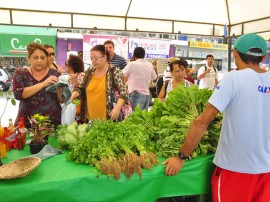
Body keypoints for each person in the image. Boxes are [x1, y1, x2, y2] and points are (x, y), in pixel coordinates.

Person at [162, 33, 270, 201]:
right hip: (266, 170)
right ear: (264, 56)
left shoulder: (234, 78)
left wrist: (181, 157)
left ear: (234, 53)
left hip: (234, 169)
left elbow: (202, 121)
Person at [71, 45, 129, 121]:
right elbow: (81, 88)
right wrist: (73, 95)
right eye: (91, 59)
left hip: (108, 118)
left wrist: (117, 108)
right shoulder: (90, 71)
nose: (93, 61)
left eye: (95, 58)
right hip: (89, 118)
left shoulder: (114, 71)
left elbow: (124, 92)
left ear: (105, 57)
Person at [13, 42, 62, 128]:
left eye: (42, 58)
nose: (39, 60)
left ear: (46, 59)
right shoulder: (20, 73)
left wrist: (60, 89)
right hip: (27, 123)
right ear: (29, 59)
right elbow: (18, 94)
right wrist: (43, 84)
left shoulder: (55, 73)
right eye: (35, 57)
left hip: (51, 123)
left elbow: (61, 100)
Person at [122, 47, 157, 111]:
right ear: (144, 55)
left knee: (134, 117)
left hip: (135, 94)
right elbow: (154, 78)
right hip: (146, 95)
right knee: (143, 118)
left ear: (134, 55)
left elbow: (121, 75)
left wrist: (131, 62)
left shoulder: (132, 64)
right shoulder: (149, 65)